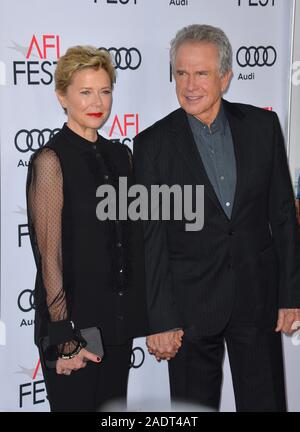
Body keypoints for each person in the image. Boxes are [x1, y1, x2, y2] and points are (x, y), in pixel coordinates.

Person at [133, 24, 300, 412]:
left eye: (201, 73)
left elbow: (282, 216)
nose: (189, 85)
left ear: (225, 76)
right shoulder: (152, 145)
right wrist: (160, 319)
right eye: (181, 73)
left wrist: (290, 295)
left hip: (257, 301)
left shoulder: (263, 127)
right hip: (189, 309)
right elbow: (150, 238)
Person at [26, 45, 146, 412]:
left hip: (117, 325)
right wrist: (64, 338)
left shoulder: (121, 156)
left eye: (105, 91)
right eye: (85, 91)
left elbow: (130, 241)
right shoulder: (51, 160)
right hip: (74, 328)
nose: (98, 102)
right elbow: (49, 257)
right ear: (62, 95)